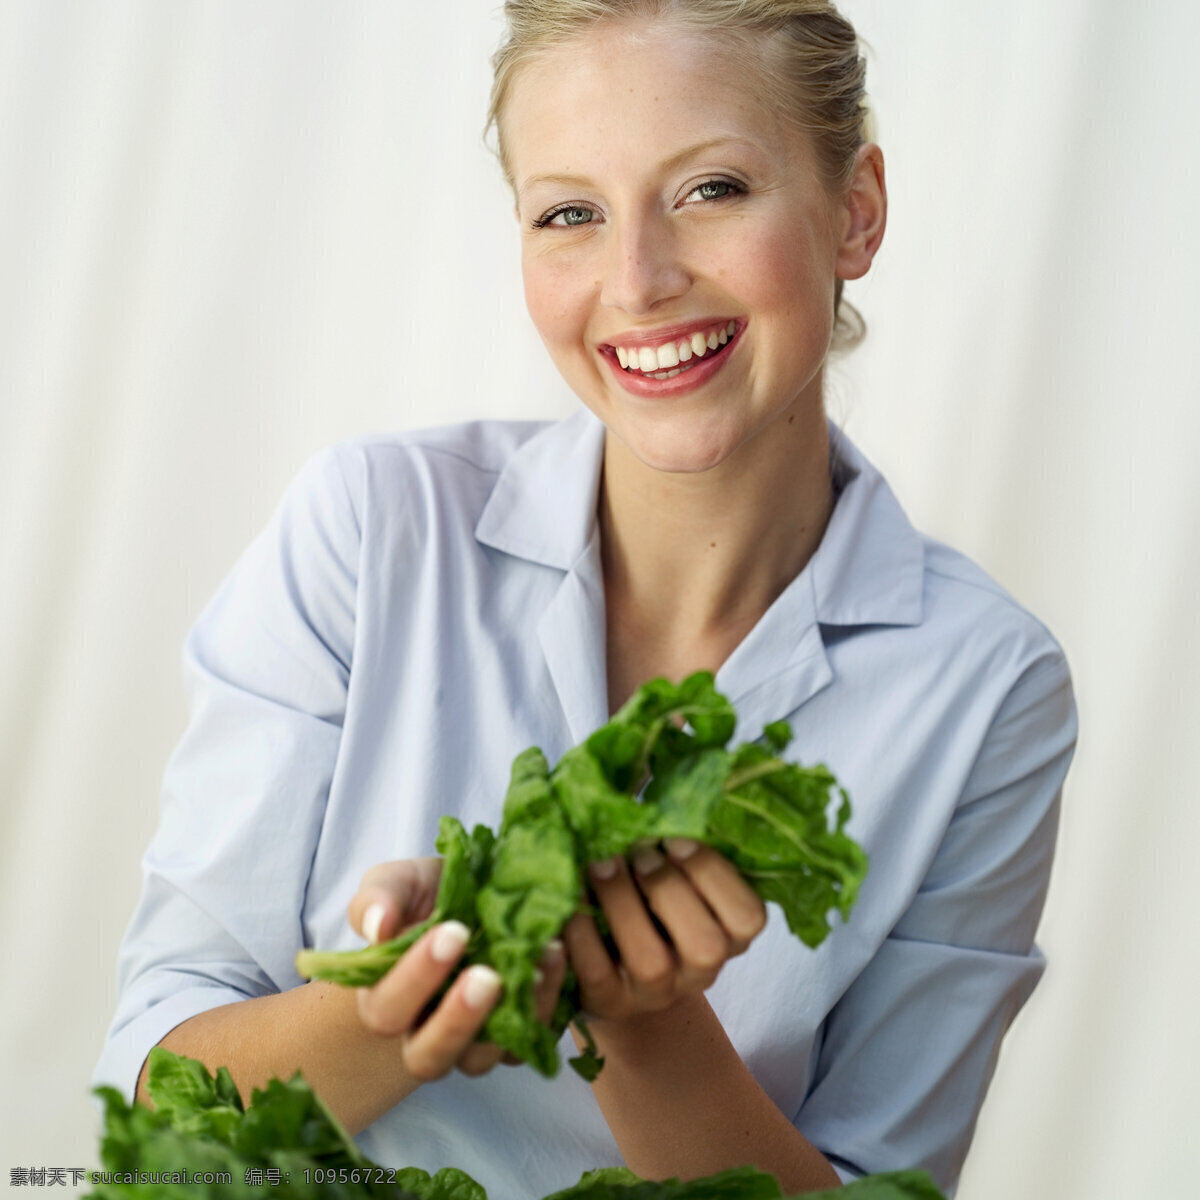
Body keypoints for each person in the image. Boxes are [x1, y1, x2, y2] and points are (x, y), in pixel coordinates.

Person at [94, 2, 1077, 1196]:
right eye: (570, 214)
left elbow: (878, 1183)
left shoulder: (987, 685)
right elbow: (161, 1093)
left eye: (711, 189)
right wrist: (450, 970)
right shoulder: (371, 526)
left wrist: (645, 1020)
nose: (639, 281)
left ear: (856, 210)